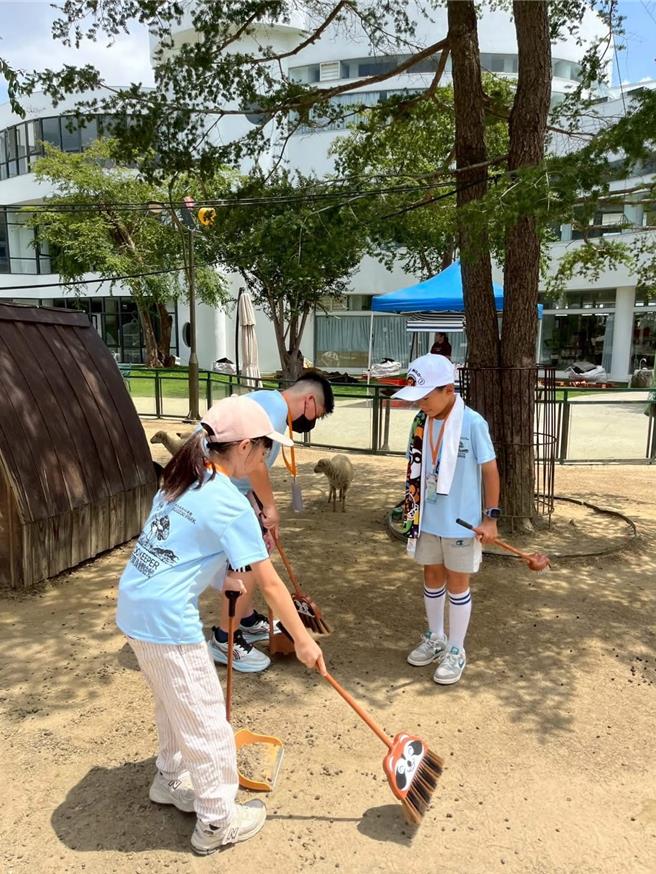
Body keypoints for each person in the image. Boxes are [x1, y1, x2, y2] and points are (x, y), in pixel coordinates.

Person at [116, 395, 326, 856]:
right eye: (266, 449)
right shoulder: (230, 503)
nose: (267, 457)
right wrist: (305, 641)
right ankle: (216, 820)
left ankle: (170, 779)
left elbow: (188, 552)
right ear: (246, 447)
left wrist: (227, 574)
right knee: (207, 717)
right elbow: (270, 586)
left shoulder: (184, 478)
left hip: (134, 606)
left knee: (175, 703)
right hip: (164, 620)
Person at [208, 370, 335, 673]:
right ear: (308, 401)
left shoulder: (266, 401)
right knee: (249, 563)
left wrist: (257, 503)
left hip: (227, 490)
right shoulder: (271, 412)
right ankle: (225, 639)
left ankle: (247, 619)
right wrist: (270, 508)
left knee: (245, 562)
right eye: (317, 413)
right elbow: (256, 466)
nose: (312, 422)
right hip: (219, 494)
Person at [392, 354, 500, 685]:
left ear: (448, 389)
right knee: (431, 576)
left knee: (458, 582)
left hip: (462, 523)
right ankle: (435, 636)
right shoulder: (422, 423)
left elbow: (490, 470)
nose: (420, 404)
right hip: (429, 520)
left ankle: (456, 649)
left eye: (425, 397)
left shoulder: (473, 423)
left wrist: (490, 517)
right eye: (416, 399)